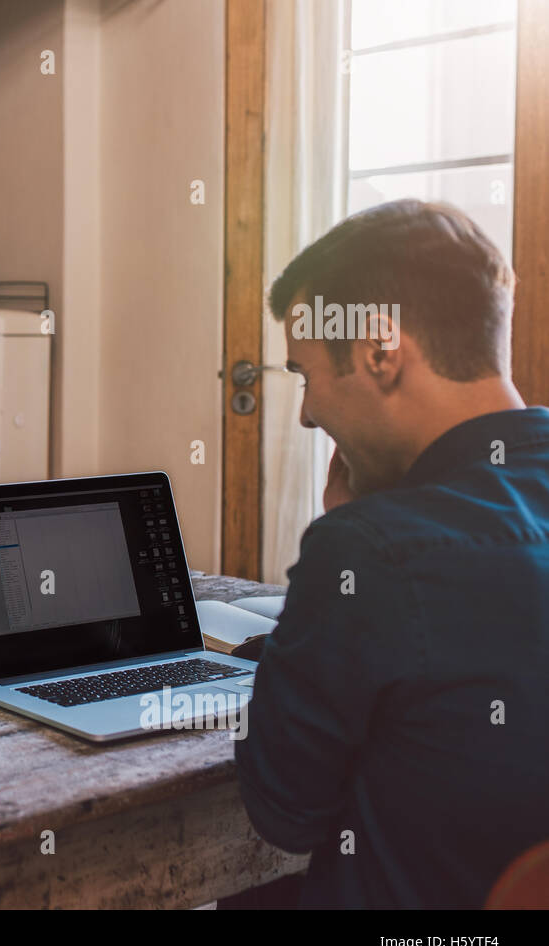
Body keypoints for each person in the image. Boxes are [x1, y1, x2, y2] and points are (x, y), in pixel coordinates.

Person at [233, 199, 549, 907]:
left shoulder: (373, 549)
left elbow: (283, 812)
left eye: (306, 375)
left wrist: (348, 542)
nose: (308, 414)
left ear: (380, 350)